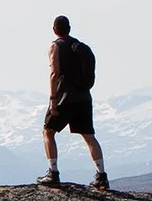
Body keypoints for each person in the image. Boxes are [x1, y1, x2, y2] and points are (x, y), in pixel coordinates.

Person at [41, 15, 109, 190]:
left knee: (48, 132)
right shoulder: (80, 47)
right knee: (89, 136)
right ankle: (101, 176)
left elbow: (54, 73)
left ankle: (53, 172)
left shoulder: (55, 46)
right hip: (84, 97)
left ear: (54, 29)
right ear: (69, 29)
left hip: (65, 97)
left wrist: (53, 99)